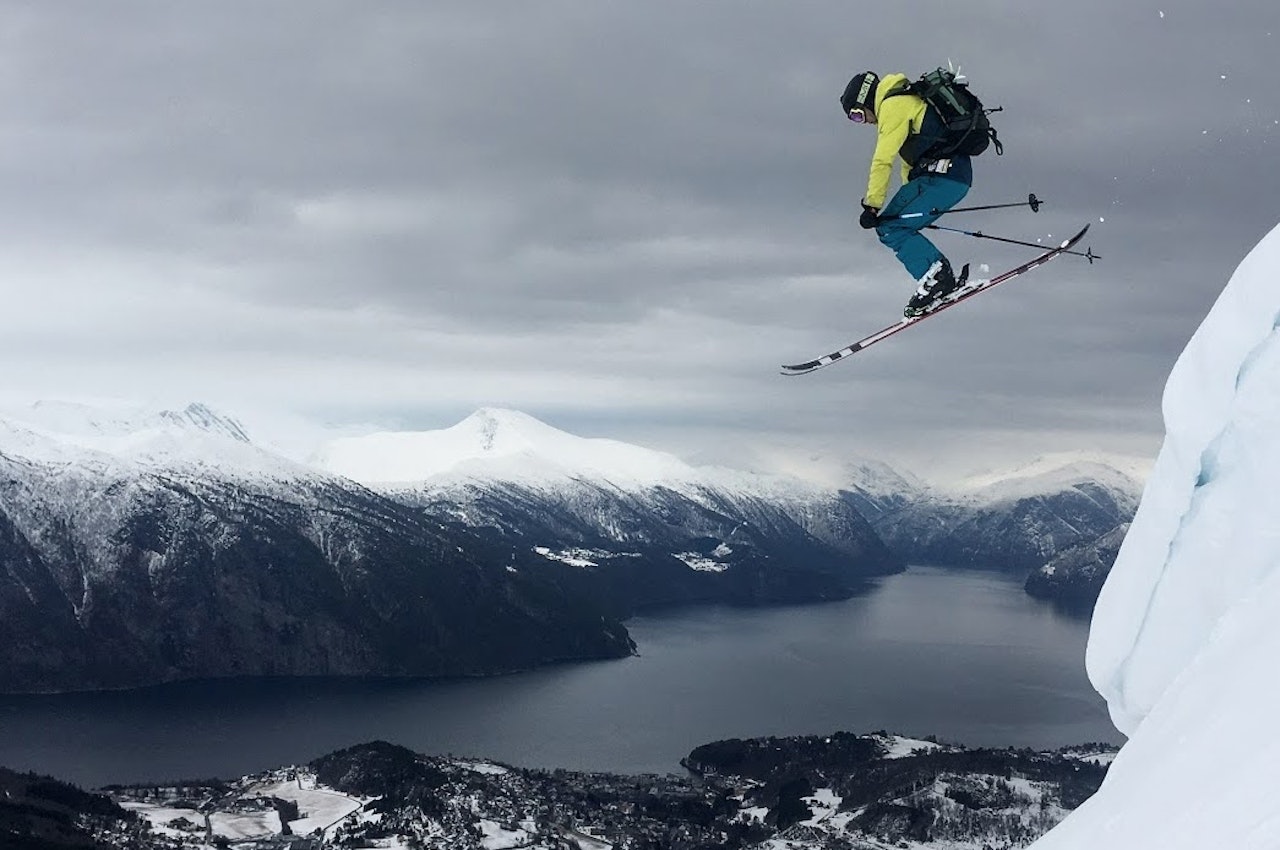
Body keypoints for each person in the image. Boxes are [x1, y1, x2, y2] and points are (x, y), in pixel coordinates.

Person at [841, 70, 973, 317]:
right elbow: (909, 167)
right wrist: (913, 212)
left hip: (942, 178)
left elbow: (882, 160)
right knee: (897, 224)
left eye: (857, 115)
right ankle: (936, 280)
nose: (865, 122)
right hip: (954, 178)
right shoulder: (907, 99)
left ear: (866, 99)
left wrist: (872, 205)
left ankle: (937, 277)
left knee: (890, 228)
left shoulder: (893, 105)